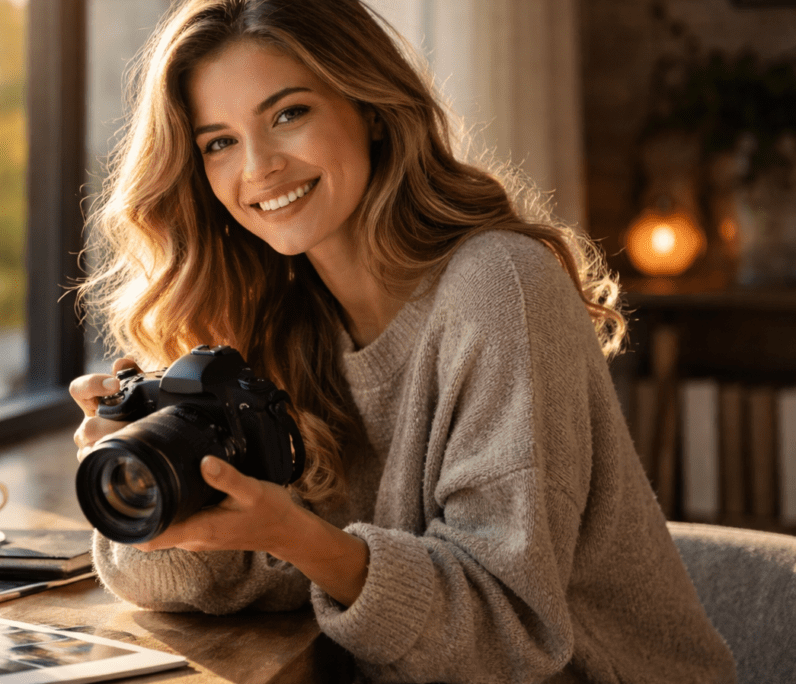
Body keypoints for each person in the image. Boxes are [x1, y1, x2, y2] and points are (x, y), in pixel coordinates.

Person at [69, 0, 737, 681]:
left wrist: (294, 536)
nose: (259, 166)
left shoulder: (499, 286)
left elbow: (507, 631)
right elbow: (214, 583)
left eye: (287, 114)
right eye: (220, 142)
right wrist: (149, 470)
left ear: (373, 109)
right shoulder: (278, 323)